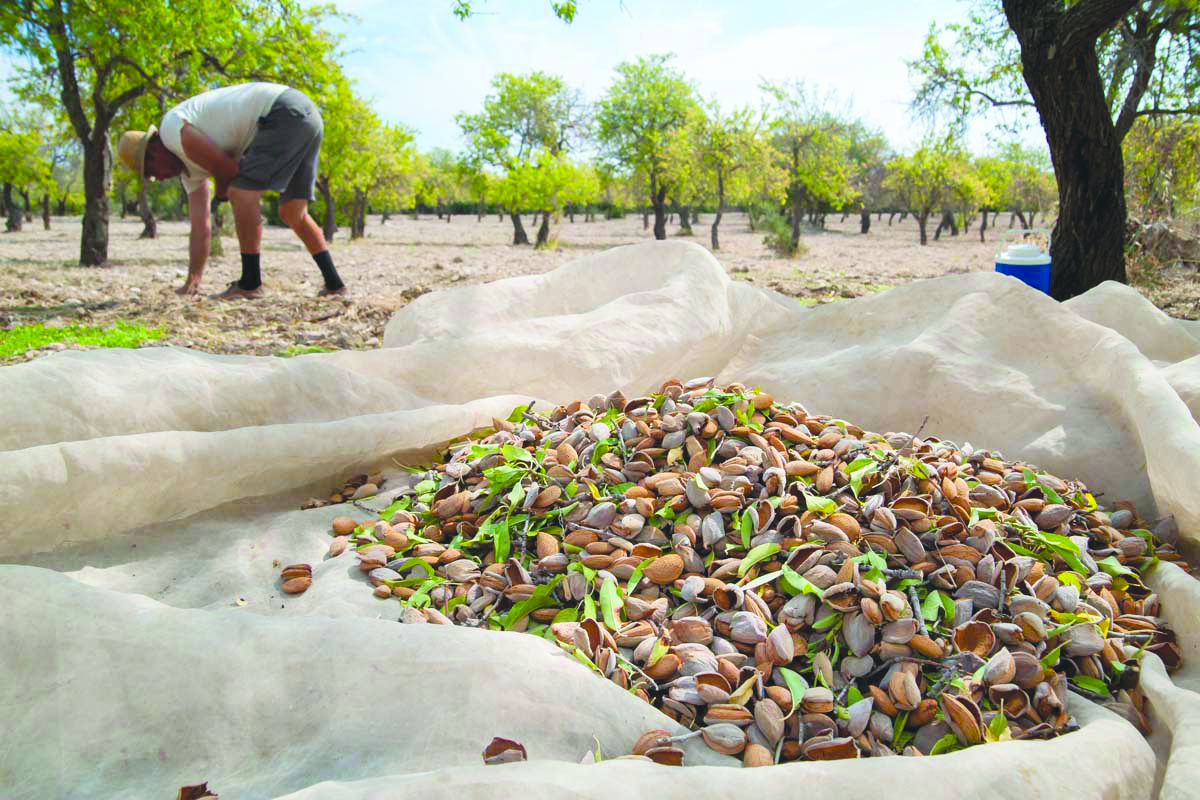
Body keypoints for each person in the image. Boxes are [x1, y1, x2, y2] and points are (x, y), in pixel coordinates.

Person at [117, 82, 346, 299]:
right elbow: (200, 226)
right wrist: (193, 280)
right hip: (306, 118)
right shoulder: (189, 173)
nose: (157, 179)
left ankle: (250, 283)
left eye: (150, 171)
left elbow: (226, 169)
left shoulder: (172, 130)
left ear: (154, 151)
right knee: (292, 212)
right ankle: (335, 284)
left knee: (241, 193)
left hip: (283, 112)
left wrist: (221, 196)